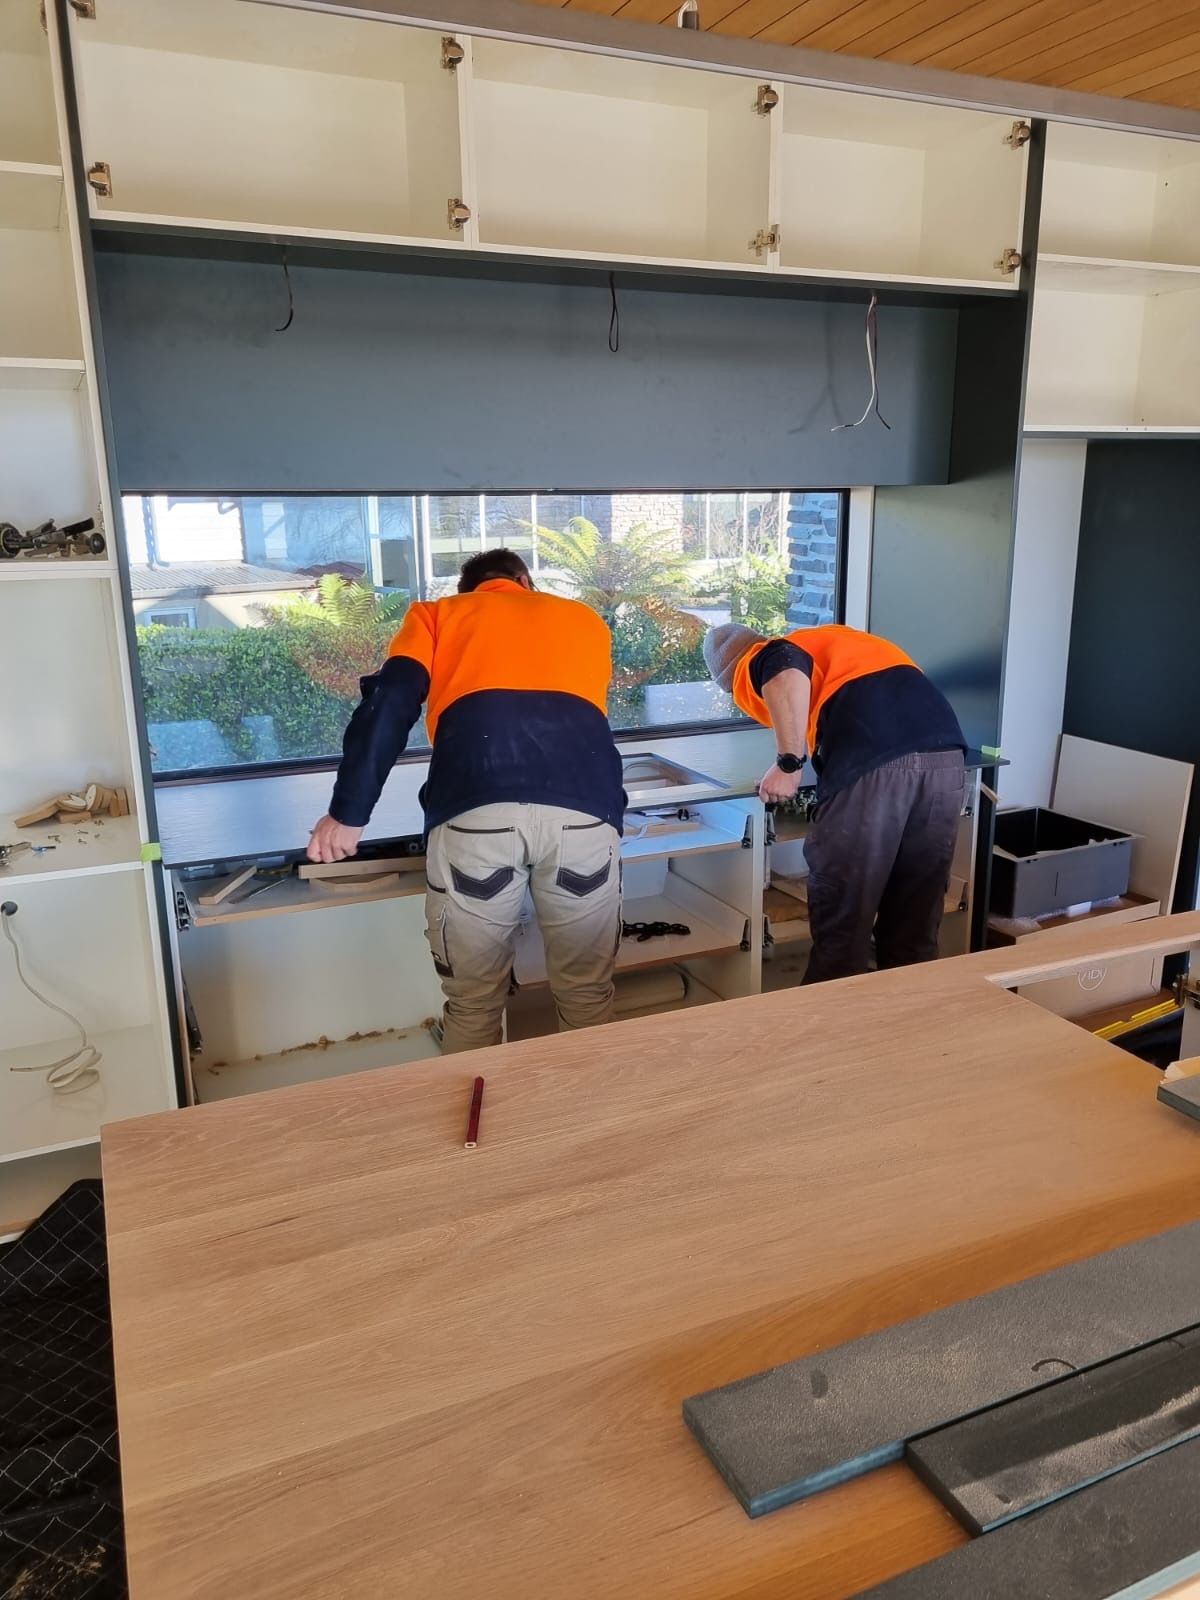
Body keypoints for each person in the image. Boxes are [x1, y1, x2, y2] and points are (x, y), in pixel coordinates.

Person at [309, 549, 625, 1052]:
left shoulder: (437, 616)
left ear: (469, 592)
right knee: (587, 995)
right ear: (524, 581)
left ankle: (475, 1128)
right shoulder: (585, 619)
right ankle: (596, 1125)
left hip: (475, 810)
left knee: (475, 1003)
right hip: (585, 812)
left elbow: (389, 702)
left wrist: (349, 813)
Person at [704, 621, 966, 984]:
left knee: (843, 919)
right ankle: (906, 1032)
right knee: (915, 924)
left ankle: (832, 1033)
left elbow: (783, 667)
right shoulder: (838, 644)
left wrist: (789, 764)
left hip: (878, 763)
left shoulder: (761, 656)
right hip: (946, 756)